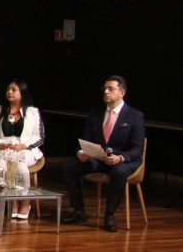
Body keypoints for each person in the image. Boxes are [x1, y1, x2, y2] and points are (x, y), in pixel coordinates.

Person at [61, 75, 145, 232]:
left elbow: (137, 149)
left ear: (122, 93)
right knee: (70, 167)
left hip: (122, 160)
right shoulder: (96, 113)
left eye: (111, 89)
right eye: (105, 89)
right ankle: (79, 211)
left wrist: (120, 158)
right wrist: (81, 152)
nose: (106, 92)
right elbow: (86, 139)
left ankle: (109, 214)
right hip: (98, 158)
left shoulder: (135, 116)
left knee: (118, 172)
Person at [0, 79, 45, 220]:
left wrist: (24, 146)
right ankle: (11, 201)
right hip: (1, 147)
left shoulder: (32, 112)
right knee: (0, 165)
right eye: (8, 89)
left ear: (22, 93)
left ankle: (25, 201)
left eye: (14, 90)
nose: (9, 92)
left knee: (20, 167)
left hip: (25, 149)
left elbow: (40, 137)